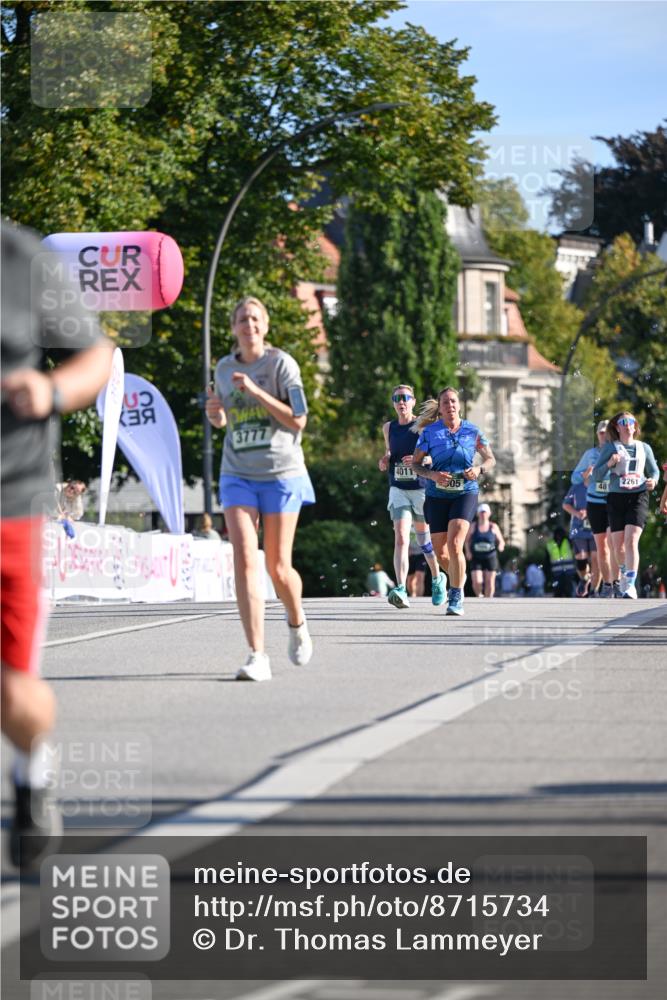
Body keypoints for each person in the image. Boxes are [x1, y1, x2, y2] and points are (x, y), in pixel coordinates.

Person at [1, 221, 113, 869]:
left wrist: (51, 390)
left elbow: (94, 356)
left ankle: (32, 766)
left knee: (16, 696)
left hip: (9, 503)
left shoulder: (18, 258)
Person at [205, 296, 315, 681]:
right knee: (245, 557)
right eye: (241, 319)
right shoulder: (223, 368)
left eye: (254, 318)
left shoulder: (281, 365)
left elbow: (298, 420)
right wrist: (216, 414)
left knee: (278, 567)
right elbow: (223, 420)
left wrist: (256, 391)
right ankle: (257, 654)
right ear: (234, 328)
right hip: (237, 473)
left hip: (282, 472)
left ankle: (297, 620)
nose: (248, 324)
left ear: (264, 327)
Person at [412, 387, 496, 616]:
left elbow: (490, 459)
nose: (450, 405)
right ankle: (459, 574)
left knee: (456, 544)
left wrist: (478, 469)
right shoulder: (429, 433)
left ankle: (456, 594)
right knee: (441, 553)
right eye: (445, 402)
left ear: (459, 405)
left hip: (465, 492)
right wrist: (431, 475)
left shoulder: (472, 431)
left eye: (453, 401)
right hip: (436, 496)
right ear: (439, 408)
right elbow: (416, 464)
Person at [378, 384, 446, 609]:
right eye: (396, 398)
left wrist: (421, 461)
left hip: (420, 489)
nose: (401, 402)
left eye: (405, 397)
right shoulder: (388, 428)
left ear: (413, 401)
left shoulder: (423, 426)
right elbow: (389, 452)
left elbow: (433, 458)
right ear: (393, 402)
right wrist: (385, 459)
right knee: (400, 537)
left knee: (424, 540)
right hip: (397, 488)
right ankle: (400, 588)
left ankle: (437, 579)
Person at [593, 411, 659, 600]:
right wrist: (610, 463)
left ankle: (630, 584)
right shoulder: (610, 447)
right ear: (617, 427)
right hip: (616, 498)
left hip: (638, 496)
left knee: (631, 541)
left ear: (635, 426)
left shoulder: (644, 448)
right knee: (618, 547)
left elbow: (654, 472)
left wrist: (653, 481)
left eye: (631, 421)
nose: (628, 424)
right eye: (624, 421)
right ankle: (624, 572)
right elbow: (597, 476)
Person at [571, 420, 620, 598]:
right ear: (597, 435)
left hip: (615, 501)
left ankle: (619, 583)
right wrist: (583, 475)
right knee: (603, 547)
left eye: (607, 432)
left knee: (616, 544)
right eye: (601, 433)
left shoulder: (618, 450)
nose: (604, 435)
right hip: (595, 502)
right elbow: (574, 478)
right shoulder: (590, 454)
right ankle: (607, 585)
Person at [562, 481, 598, 597]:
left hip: (596, 528)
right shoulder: (576, 488)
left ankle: (594, 589)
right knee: (581, 558)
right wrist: (577, 513)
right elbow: (566, 504)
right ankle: (584, 578)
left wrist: (591, 512)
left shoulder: (600, 484)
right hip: (579, 529)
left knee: (595, 559)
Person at [465, 502, 505, 597]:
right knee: (477, 581)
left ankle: (488, 599)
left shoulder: (493, 526)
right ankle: (479, 596)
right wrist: (468, 552)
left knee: (490, 581)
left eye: (485, 512)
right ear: (478, 514)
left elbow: (501, 541)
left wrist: (500, 546)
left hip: (490, 557)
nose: (483, 514)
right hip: (476, 557)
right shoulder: (473, 526)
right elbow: (466, 541)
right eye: (481, 512)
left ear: (489, 514)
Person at [545, 526, 576, 597]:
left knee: (568, 592)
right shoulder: (550, 544)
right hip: (557, 573)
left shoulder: (568, 541)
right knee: (557, 592)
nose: (559, 536)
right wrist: (548, 573)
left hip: (568, 573)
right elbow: (547, 560)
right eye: (557, 534)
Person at [406, 529, 427, 597]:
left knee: (420, 577)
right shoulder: (406, 523)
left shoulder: (423, 522)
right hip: (411, 555)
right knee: (410, 581)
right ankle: (412, 595)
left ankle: (419, 597)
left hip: (422, 554)